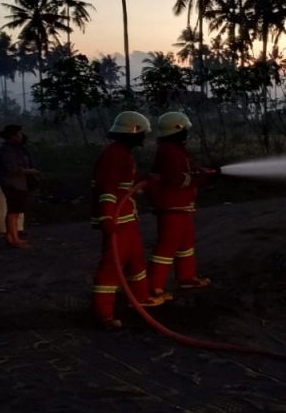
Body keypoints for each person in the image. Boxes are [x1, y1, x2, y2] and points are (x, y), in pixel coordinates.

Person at [90, 112, 164, 329]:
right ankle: (104, 313)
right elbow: (108, 188)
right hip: (118, 221)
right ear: (132, 132)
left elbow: (124, 185)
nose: (144, 137)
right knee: (112, 266)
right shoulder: (114, 155)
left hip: (127, 219)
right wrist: (107, 216)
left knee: (135, 261)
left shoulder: (122, 153)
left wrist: (144, 181)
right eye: (141, 133)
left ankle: (140, 297)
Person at [147, 112, 216, 298]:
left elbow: (190, 170)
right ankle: (153, 287)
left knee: (186, 245)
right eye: (184, 129)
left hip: (181, 207)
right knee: (166, 247)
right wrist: (201, 179)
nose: (187, 133)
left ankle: (186, 277)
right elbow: (175, 179)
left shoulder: (176, 149)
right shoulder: (169, 150)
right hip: (171, 208)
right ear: (177, 130)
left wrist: (206, 173)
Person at [0, 125, 38, 249]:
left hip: (20, 183)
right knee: (13, 211)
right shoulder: (5, 151)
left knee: (16, 211)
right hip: (12, 183)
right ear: (12, 136)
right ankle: (14, 239)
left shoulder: (19, 149)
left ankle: (12, 236)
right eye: (18, 134)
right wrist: (28, 171)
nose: (21, 136)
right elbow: (11, 168)